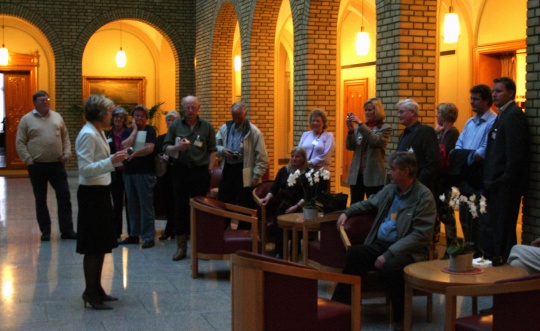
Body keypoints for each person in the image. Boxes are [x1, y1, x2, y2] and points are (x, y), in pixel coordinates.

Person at [331, 152, 436, 330]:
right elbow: (368, 203)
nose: (389, 173)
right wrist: (347, 212)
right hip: (381, 244)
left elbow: (420, 235)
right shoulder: (390, 190)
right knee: (354, 253)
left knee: (390, 268)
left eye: (393, 169)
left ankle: (400, 318)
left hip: (408, 251)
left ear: (406, 171)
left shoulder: (423, 197)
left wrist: (389, 254)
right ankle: (339, 309)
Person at [75, 94, 128, 310]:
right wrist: (111, 161)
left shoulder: (97, 131)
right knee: (93, 245)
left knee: (101, 244)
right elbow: (84, 169)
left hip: (100, 190)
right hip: (91, 194)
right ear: (99, 114)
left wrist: (116, 159)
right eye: (109, 112)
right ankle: (90, 292)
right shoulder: (88, 134)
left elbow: (101, 162)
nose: (111, 116)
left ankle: (98, 289)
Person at [15, 90, 77, 242]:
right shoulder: (26, 120)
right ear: (35, 102)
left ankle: (67, 230)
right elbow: (20, 142)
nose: (45, 102)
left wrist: (67, 154)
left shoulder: (57, 117)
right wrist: (29, 160)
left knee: (64, 196)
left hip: (57, 165)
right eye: (42, 100)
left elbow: (65, 138)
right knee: (40, 199)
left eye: (47, 99)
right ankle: (46, 231)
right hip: (37, 166)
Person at [163, 95, 217, 261]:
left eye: (193, 107)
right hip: (180, 170)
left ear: (198, 108)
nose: (190, 110)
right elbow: (166, 148)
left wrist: (209, 170)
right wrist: (177, 147)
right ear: (182, 108)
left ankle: (200, 246)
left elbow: (212, 150)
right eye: (187, 107)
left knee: (200, 208)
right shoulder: (175, 126)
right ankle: (181, 247)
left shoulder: (207, 127)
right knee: (180, 208)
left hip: (200, 172)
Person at [484, 77, 530, 264]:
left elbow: (515, 152)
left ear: (510, 93)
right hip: (495, 182)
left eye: (499, 91)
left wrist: (505, 179)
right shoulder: (502, 114)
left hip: (506, 185)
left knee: (504, 226)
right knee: (496, 225)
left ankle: (503, 261)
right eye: (493, 91)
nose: (494, 94)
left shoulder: (513, 115)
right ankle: (497, 257)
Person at [452, 84, 497, 258]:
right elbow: (458, 145)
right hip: (466, 177)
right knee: (466, 218)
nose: (472, 102)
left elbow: (485, 149)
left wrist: (467, 157)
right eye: (471, 99)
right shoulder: (470, 122)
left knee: (482, 220)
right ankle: (470, 252)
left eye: (476, 99)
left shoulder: (493, 121)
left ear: (486, 101)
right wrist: (464, 157)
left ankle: (483, 254)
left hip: (480, 176)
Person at [216, 102, 268, 227]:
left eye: (239, 116)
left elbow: (263, 158)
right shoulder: (226, 128)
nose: (236, 119)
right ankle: (222, 229)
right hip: (228, 168)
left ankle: (245, 234)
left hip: (245, 171)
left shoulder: (254, 132)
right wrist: (223, 150)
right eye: (234, 116)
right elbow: (215, 145)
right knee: (224, 201)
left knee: (245, 204)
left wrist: (256, 176)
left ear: (245, 113)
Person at [259, 147, 309, 258]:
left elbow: (308, 195)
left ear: (303, 159)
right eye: (292, 156)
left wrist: (297, 206)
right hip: (284, 204)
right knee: (278, 224)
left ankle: (295, 254)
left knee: (296, 226)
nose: (294, 159)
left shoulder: (308, 173)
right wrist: (267, 197)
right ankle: (279, 253)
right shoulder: (284, 170)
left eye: (297, 156)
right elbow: (274, 188)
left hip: (299, 207)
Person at [119, 105, 157, 249]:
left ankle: (148, 237)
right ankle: (133, 235)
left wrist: (134, 153)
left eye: (142, 116)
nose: (139, 118)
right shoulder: (128, 131)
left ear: (146, 118)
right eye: (137, 116)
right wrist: (134, 131)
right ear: (132, 117)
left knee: (145, 205)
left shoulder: (150, 130)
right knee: (132, 204)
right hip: (129, 172)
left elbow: (149, 148)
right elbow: (124, 145)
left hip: (144, 172)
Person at [345, 98, 392, 204]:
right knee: (355, 204)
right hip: (357, 173)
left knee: (373, 205)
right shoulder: (359, 127)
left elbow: (376, 141)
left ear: (377, 110)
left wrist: (360, 124)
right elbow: (350, 146)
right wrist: (351, 131)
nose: (366, 113)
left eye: (369, 110)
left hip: (373, 173)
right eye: (365, 110)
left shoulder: (385, 127)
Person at [396, 98, 440, 193]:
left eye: (401, 112)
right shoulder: (403, 134)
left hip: (419, 188)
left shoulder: (425, 131)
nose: (398, 115)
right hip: (403, 187)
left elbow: (433, 161)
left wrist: (418, 183)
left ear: (412, 112)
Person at [433, 103, 459, 250]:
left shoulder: (452, 133)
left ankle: (452, 246)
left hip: (445, 179)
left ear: (445, 115)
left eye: (438, 113)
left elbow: (443, 152)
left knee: (446, 214)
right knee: (438, 211)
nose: (436, 116)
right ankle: (435, 244)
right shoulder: (443, 131)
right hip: (439, 178)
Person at [105, 107, 131, 239]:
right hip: (114, 173)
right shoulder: (107, 134)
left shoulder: (129, 133)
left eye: (121, 117)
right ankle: (116, 232)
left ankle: (132, 233)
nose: (119, 119)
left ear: (125, 120)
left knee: (130, 203)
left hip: (128, 171)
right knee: (116, 203)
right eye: (116, 117)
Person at [155, 110, 180, 240]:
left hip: (178, 173)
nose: (170, 122)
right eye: (168, 120)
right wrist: (161, 156)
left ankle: (176, 230)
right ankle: (169, 229)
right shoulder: (161, 138)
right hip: (164, 174)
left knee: (178, 202)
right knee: (167, 202)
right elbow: (156, 154)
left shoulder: (182, 137)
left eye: (173, 120)